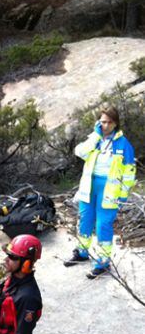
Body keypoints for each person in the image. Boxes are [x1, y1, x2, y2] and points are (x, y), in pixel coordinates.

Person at [64, 106, 136, 279]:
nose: (106, 125)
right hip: (90, 185)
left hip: (110, 189)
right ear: (98, 122)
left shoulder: (123, 144)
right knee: (85, 220)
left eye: (110, 122)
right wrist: (95, 135)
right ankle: (81, 252)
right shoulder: (94, 138)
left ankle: (103, 262)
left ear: (116, 123)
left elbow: (129, 173)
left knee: (103, 225)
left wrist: (123, 195)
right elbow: (79, 152)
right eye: (103, 122)